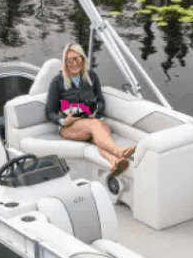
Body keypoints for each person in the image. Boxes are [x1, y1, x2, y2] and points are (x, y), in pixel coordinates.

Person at [44, 43, 134, 177]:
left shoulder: (91, 77)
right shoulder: (57, 82)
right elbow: (49, 112)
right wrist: (63, 121)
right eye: (69, 59)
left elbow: (100, 101)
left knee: (97, 134)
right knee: (97, 127)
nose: (74, 63)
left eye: (77, 59)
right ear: (65, 62)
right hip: (69, 127)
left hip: (91, 121)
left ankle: (114, 161)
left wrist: (96, 111)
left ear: (83, 60)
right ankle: (118, 151)